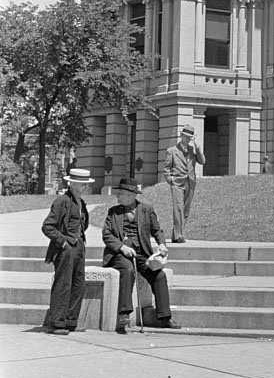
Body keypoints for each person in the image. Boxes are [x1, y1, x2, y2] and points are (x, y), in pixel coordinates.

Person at [102, 177, 180, 333]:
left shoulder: (146, 209)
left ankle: (165, 316)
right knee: (128, 270)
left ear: (131, 195)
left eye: (121, 194)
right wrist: (122, 247)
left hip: (142, 253)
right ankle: (124, 315)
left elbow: (157, 230)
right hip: (120, 255)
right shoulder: (113, 212)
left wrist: (162, 244)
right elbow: (107, 234)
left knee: (159, 275)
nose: (118, 197)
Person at [41, 167, 93, 335]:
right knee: (63, 284)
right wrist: (63, 242)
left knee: (78, 284)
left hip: (78, 247)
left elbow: (82, 225)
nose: (84, 188)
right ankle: (56, 322)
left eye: (85, 185)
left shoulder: (81, 203)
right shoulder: (62, 201)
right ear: (71, 184)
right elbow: (47, 227)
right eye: (80, 184)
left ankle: (71, 320)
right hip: (66, 249)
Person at [163, 125, 205, 243]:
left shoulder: (192, 151)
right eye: (186, 137)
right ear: (181, 136)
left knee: (185, 210)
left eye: (190, 138)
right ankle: (179, 236)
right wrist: (170, 179)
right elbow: (166, 168)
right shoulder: (172, 151)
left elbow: (202, 162)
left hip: (190, 182)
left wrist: (198, 149)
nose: (187, 140)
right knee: (178, 208)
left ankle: (176, 234)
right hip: (177, 183)